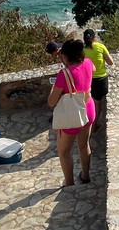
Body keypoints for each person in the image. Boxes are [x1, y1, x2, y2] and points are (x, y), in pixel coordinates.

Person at [47, 38, 95, 187]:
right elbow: (92, 70)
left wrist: (54, 87)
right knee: (83, 145)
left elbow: (51, 102)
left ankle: (69, 184)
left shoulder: (64, 74)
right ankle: (85, 176)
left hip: (72, 116)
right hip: (88, 109)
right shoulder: (87, 62)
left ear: (65, 56)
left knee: (64, 152)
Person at [82, 28, 113, 129]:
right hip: (100, 80)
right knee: (98, 104)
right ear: (94, 37)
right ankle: (94, 124)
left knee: (87, 102)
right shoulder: (100, 46)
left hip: (87, 80)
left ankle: (86, 123)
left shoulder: (82, 50)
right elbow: (110, 62)